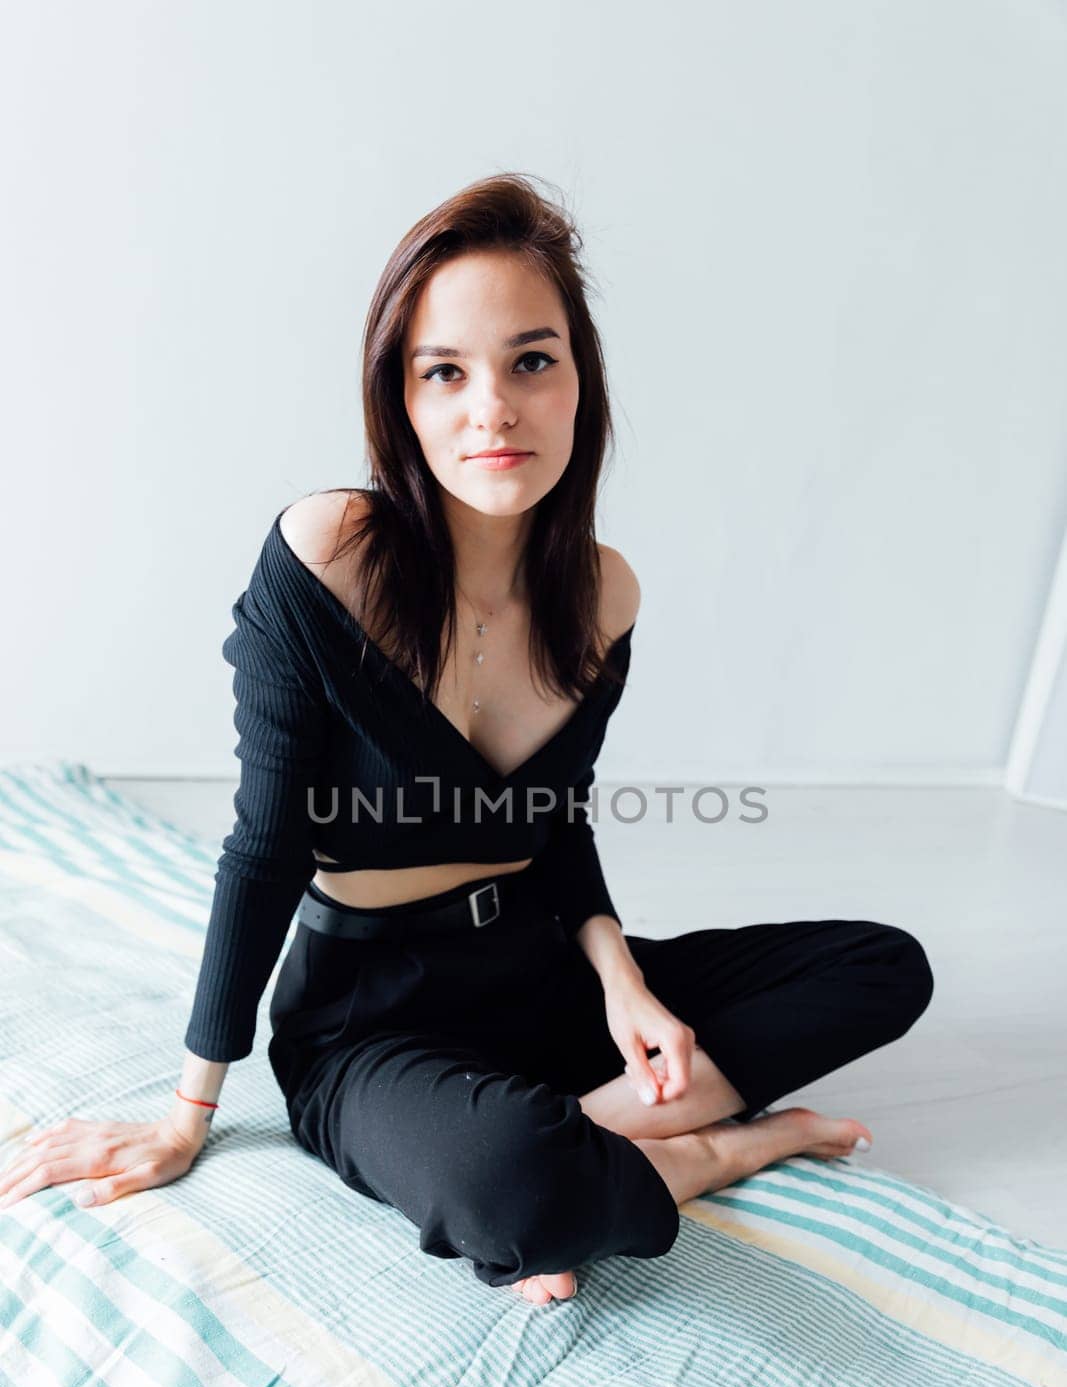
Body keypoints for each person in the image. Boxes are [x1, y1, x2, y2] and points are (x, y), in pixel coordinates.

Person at [0, 175, 934, 1306]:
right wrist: (186, 1113)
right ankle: (702, 1151)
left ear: (579, 384)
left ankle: (570, 1147)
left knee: (881, 965)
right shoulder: (326, 556)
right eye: (444, 371)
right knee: (512, 1177)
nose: (491, 407)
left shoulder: (604, 597)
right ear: (400, 398)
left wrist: (620, 979)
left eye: (530, 362)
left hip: (539, 980)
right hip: (371, 1021)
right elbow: (265, 845)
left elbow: (558, 823)